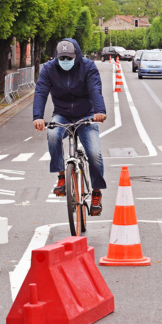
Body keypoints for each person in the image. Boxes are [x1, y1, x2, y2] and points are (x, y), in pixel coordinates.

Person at [33, 39, 107, 215]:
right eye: (62, 58)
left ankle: (96, 193)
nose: (65, 61)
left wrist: (99, 111)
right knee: (52, 134)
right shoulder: (49, 69)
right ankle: (61, 177)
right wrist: (38, 117)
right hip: (62, 114)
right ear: (57, 57)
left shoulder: (88, 67)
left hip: (86, 115)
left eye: (69, 57)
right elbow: (41, 91)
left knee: (94, 154)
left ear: (77, 55)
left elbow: (95, 89)